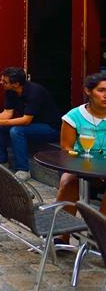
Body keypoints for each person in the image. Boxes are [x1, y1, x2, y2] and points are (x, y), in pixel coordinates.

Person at [0, 67, 61, 181]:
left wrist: (0, 121)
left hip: (50, 127)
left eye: (4, 81)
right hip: (31, 124)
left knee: (17, 131)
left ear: (16, 84)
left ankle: (23, 169)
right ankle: (1, 162)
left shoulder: (35, 92)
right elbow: (8, 112)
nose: (1, 83)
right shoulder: (10, 91)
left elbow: (26, 120)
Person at [55, 73, 106, 220]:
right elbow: (66, 148)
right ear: (88, 91)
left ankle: (99, 234)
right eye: (101, 90)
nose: (105, 95)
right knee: (69, 183)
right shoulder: (74, 116)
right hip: (81, 167)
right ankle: (61, 234)